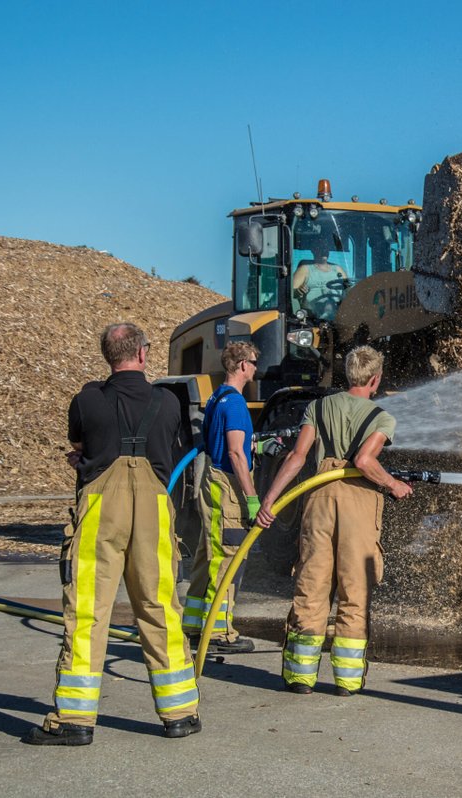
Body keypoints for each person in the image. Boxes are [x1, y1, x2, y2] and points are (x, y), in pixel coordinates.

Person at [24, 323, 199, 745]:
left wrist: (87, 456)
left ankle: (75, 719)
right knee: (159, 607)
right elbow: (167, 446)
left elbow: (83, 440)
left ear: (109, 356)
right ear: (141, 354)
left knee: (88, 611)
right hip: (155, 510)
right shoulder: (168, 402)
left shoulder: (87, 400)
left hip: (102, 508)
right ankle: (181, 713)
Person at [257, 345, 411, 695]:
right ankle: (346, 681)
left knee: (312, 585)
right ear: (375, 378)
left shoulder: (318, 406)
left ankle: (300, 677)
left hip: (319, 498)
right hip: (358, 500)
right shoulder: (381, 417)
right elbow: (365, 460)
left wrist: (271, 500)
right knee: (354, 591)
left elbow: (297, 458)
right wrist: (394, 484)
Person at [182, 342, 261, 653]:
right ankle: (220, 634)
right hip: (227, 486)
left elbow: (230, 444)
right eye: (254, 362)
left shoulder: (217, 398)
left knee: (207, 555)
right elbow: (234, 454)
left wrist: (254, 447)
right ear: (242, 365)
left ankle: (192, 624)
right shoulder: (236, 404)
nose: (257, 368)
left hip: (212, 481)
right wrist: (253, 499)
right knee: (227, 558)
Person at [291, 245, 349, 321]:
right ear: (313, 250)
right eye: (321, 248)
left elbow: (349, 290)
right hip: (311, 312)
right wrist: (299, 291)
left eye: (326, 249)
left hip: (335, 310)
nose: (324, 252)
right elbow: (290, 293)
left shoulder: (337, 269)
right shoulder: (305, 269)